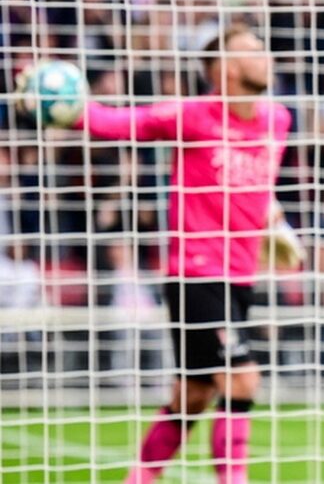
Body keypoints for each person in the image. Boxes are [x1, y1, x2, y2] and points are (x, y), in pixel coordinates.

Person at [27, 24, 300, 484]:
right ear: (226, 68)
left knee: (191, 397)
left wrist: (276, 221)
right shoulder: (194, 116)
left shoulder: (278, 120)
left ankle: (138, 478)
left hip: (241, 275)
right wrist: (67, 109)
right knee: (242, 377)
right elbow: (121, 124)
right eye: (253, 50)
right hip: (197, 272)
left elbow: (257, 185)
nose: (265, 56)